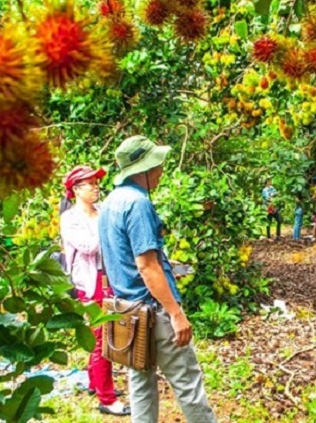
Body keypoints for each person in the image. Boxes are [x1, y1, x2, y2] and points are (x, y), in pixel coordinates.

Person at [98, 135, 217, 423]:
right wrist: (176, 314)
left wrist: (164, 263)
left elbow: (121, 256)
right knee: (188, 385)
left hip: (126, 312)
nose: (161, 171)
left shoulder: (111, 201)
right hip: (154, 313)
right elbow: (146, 266)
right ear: (144, 169)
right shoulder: (138, 204)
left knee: (140, 385)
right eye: (158, 165)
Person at [60, 166, 130, 417]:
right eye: (89, 183)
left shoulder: (101, 211)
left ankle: (95, 383)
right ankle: (107, 399)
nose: (95, 187)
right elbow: (88, 246)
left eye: (96, 182)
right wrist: (110, 228)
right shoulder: (70, 218)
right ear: (76, 190)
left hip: (108, 280)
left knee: (105, 334)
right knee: (102, 340)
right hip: (90, 285)